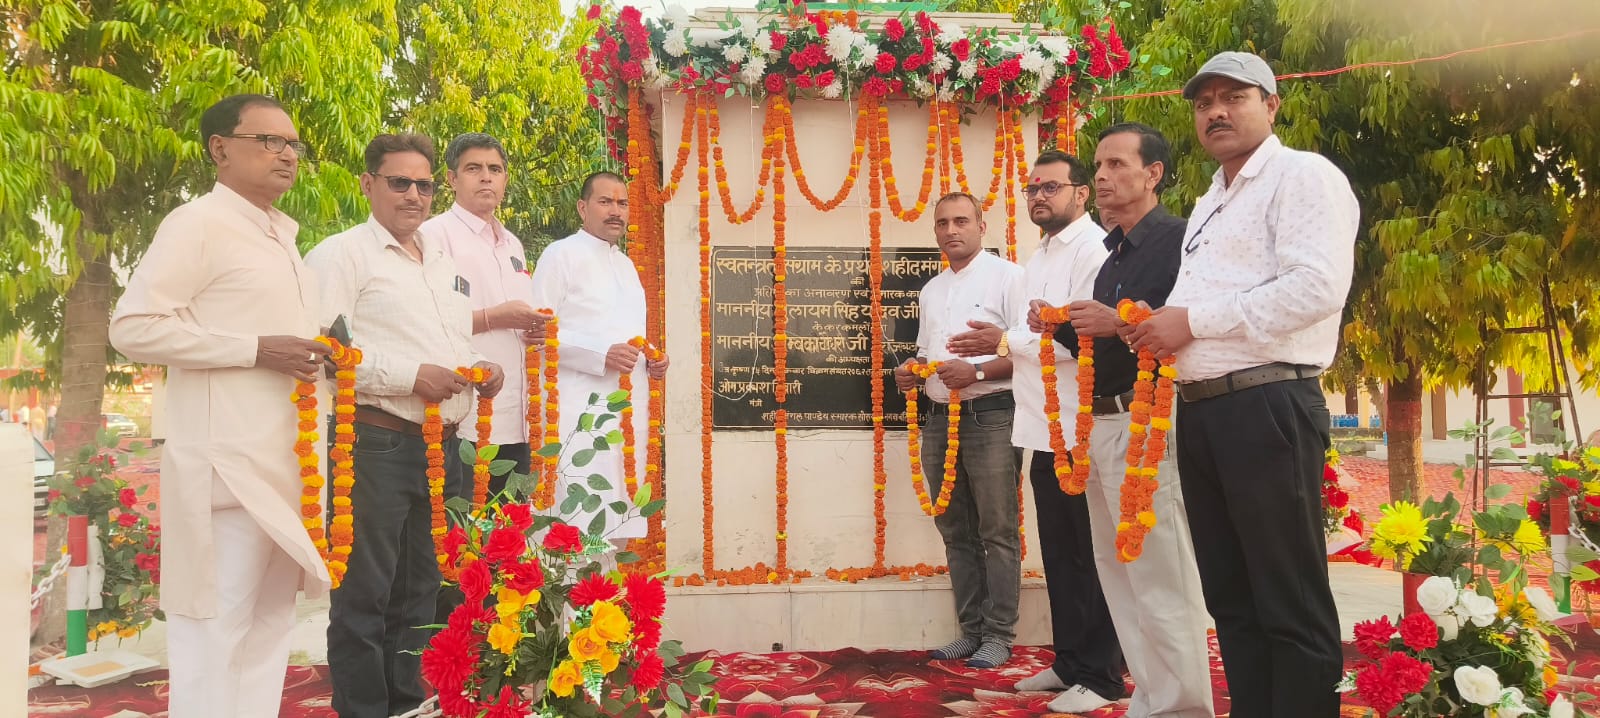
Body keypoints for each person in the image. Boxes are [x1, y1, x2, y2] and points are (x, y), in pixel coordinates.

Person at [1125, 52, 1359, 717]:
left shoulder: (1302, 175)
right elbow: (1199, 303)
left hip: (1267, 403)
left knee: (1288, 597)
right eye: (1204, 103)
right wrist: (1159, 324)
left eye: (1235, 97)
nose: (1217, 112)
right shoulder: (1210, 201)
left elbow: (1316, 289)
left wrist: (1191, 321)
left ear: (1272, 104)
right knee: (1231, 597)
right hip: (1202, 412)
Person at [109, 94, 331, 718]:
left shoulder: (283, 237)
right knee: (214, 634)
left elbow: (281, 346)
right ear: (220, 148)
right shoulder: (197, 223)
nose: (287, 155)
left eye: (293, 144)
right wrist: (254, 349)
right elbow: (132, 328)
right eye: (270, 141)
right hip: (227, 468)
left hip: (287, 466)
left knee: (269, 629)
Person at [305, 133, 503, 718]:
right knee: (365, 593)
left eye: (423, 184)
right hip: (375, 443)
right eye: (399, 182)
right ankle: (365, 709)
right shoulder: (341, 255)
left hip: (442, 447)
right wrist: (410, 377)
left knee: (422, 590)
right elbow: (326, 352)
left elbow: (448, 341)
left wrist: (480, 367)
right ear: (368, 184)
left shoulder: (439, 260)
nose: (414, 195)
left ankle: (407, 705)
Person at [945, 151, 1125, 709]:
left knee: (1090, 556)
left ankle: (1101, 675)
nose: (1039, 196)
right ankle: (1069, 662)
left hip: (1080, 425)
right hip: (1042, 427)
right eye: (1032, 188)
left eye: (1051, 187)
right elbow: (1037, 332)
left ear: (1080, 194)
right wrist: (1017, 337)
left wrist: (1003, 341)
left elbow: (1076, 340)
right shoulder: (1040, 253)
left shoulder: (1094, 250)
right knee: (1061, 554)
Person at [1051, 123, 1213, 717]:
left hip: (1148, 424)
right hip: (1102, 423)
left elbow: (1188, 326)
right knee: (1118, 572)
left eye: (1117, 164)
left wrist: (1115, 322)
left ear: (1153, 174)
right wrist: (1060, 325)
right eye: (1098, 165)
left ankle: (1183, 707)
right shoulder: (1112, 254)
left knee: (1160, 574)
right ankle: (1150, 696)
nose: (1101, 176)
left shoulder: (1179, 241)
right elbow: (1101, 344)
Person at [894, 192, 1024, 670]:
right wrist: (911, 371)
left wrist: (979, 371)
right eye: (943, 223)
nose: (952, 230)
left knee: (997, 529)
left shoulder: (1009, 277)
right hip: (938, 419)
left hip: (991, 414)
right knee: (953, 528)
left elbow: (1031, 353)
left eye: (961, 221)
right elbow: (925, 350)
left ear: (981, 226)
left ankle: (999, 635)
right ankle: (971, 632)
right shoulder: (932, 289)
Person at [527, 171, 667, 547]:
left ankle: (607, 589)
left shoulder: (626, 266)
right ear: (582, 207)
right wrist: (601, 353)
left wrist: (652, 360)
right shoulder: (560, 255)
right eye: (605, 202)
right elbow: (537, 333)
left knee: (617, 534)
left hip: (626, 418)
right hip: (577, 415)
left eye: (622, 203)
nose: (615, 211)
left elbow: (629, 338)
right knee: (574, 528)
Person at [423, 133, 545, 490]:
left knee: (510, 521)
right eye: (473, 168)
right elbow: (427, 318)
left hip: (518, 416)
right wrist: (494, 318)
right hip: (465, 415)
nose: (486, 177)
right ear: (452, 178)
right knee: (464, 519)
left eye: (495, 169)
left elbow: (518, 316)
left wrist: (535, 328)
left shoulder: (512, 243)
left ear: (505, 178)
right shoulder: (433, 235)